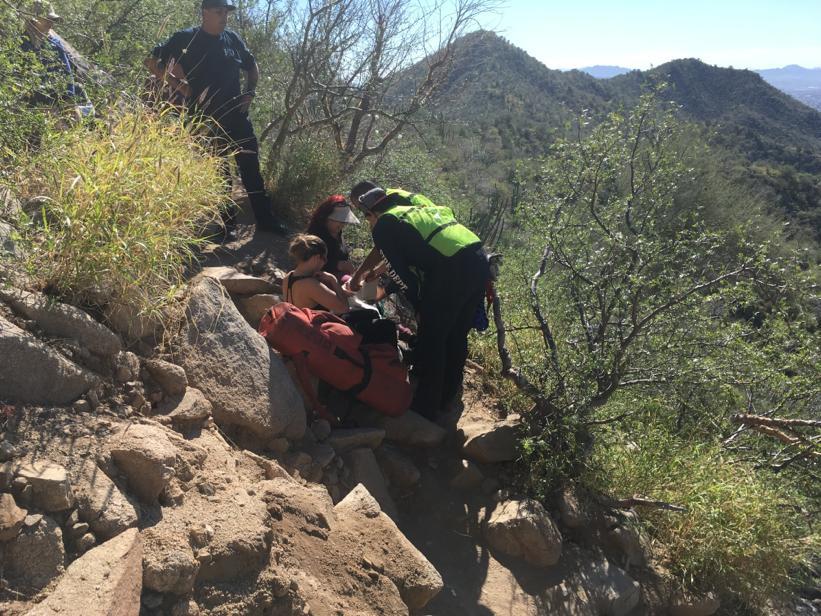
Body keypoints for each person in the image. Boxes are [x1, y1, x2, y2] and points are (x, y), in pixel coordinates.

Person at [145, 0, 285, 239]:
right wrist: (179, 86)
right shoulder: (185, 38)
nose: (224, 17)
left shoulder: (232, 39)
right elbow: (150, 61)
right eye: (219, 12)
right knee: (219, 171)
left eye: (226, 12)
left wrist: (250, 92)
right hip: (204, 117)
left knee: (251, 167)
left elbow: (252, 66)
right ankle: (226, 225)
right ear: (205, 13)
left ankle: (266, 221)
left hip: (237, 116)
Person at [353, 183, 490, 419]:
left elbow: (402, 275)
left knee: (433, 336)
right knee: (457, 333)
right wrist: (369, 275)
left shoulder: (384, 224)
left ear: (370, 214)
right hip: (478, 260)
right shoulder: (415, 208)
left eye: (366, 218)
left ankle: (425, 407)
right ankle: (447, 398)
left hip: (452, 270)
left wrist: (420, 306)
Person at [20, 1, 90, 114]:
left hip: (57, 94)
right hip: (36, 97)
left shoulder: (54, 43)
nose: (51, 24)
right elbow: (23, 80)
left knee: (79, 90)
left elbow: (67, 73)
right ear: (34, 19)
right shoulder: (22, 43)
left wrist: (68, 101)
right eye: (47, 20)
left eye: (52, 20)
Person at [283, 234, 352, 314]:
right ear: (317, 257)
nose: (324, 263)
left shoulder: (288, 277)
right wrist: (333, 280)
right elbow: (344, 308)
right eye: (325, 259)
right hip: (311, 326)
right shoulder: (311, 285)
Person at [305, 194, 359, 282]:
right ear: (326, 218)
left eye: (344, 221)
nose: (342, 224)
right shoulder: (315, 235)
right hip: (317, 280)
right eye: (338, 220)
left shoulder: (338, 234)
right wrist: (338, 265)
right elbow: (307, 262)